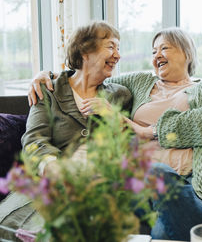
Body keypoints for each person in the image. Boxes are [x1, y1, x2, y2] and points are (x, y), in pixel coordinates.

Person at [29, 27, 202, 241]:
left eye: (164, 48)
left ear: (187, 53)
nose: (156, 55)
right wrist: (47, 75)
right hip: (144, 188)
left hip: (197, 184)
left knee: (162, 230)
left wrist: (147, 130)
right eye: (153, 51)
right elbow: (88, 74)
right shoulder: (140, 82)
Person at [0, 21, 132, 241]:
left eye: (119, 49)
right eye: (111, 47)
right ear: (85, 50)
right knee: (16, 228)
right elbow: (34, 139)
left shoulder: (120, 95)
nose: (117, 55)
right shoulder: (49, 90)